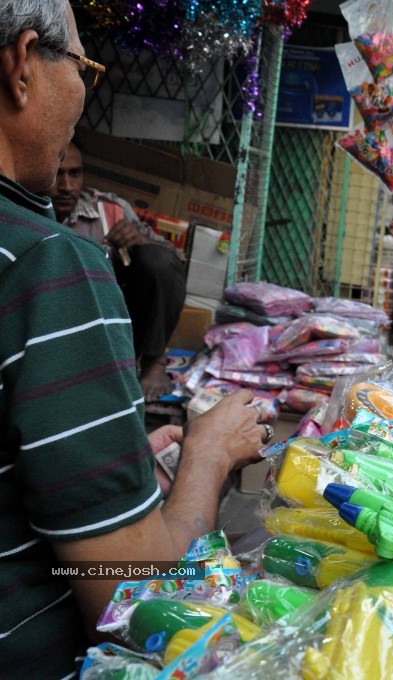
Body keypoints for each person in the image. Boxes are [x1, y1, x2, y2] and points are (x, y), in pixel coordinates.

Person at [0, 3, 265, 676]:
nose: (84, 94)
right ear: (22, 63)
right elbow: (133, 600)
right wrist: (209, 456)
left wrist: (98, 465)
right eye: (83, 66)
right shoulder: (48, 266)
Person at [47, 141, 186, 402]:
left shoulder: (110, 210)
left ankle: (154, 361)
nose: (66, 186)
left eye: (75, 173)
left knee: (157, 259)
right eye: (57, 174)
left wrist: (138, 242)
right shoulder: (24, 212)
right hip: (59, 321)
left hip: (112, 318)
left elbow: (173, 259)